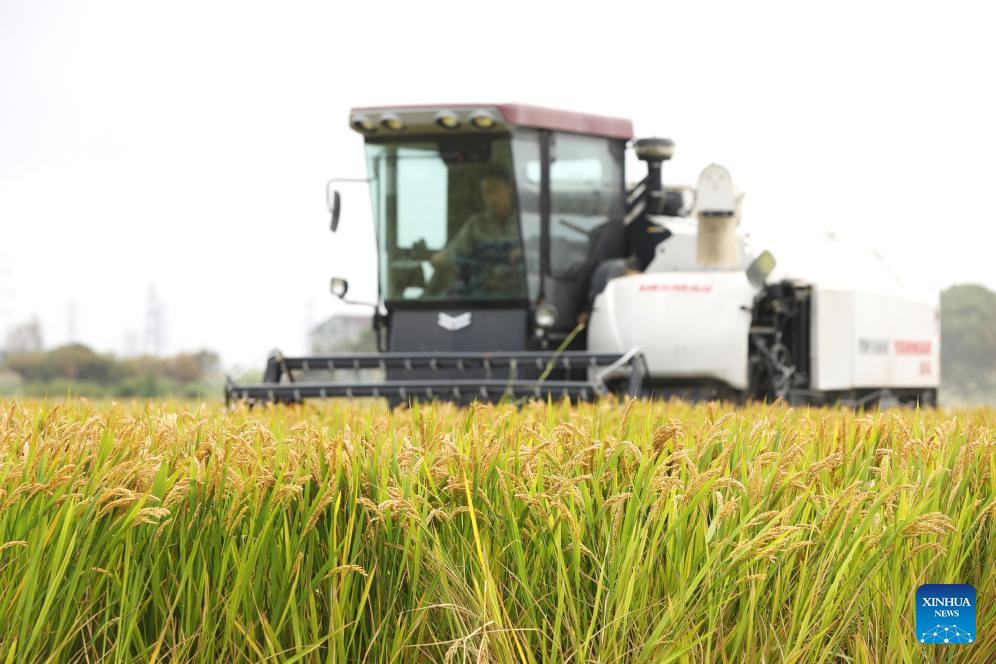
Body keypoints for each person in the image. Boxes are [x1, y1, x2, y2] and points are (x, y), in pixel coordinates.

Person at [428, 164, 524, 295]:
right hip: (480, 294)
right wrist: (442, 257)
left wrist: (523, 255)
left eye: (495, 189)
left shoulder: (526, 223)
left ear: (510, 189)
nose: (490, 197)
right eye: (486, 191)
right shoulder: (476, 224)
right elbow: (455, 251)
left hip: (516, 295)